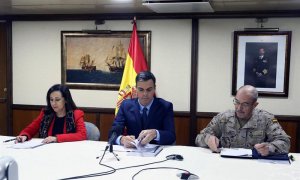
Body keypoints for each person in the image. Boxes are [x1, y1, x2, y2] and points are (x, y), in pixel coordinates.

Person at [195, 85, 290, 156]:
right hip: (226, 165)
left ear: (254, 105)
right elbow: (199, 138)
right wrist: (208, 139)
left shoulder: (266, 119)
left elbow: (285, 142)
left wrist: (269, 148)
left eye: (245, 104)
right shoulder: (223, 118)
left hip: (255, 167)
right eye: (237, 102)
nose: (239, 108)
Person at [109, 71, 176, 148]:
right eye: (141, 90)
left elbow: (171, 136)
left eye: (149, 90)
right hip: (132, 152)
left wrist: (155, 134)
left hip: (157, 153)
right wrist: (121, 139)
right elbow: (112, 134)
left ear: (154, 88)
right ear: (136, 89)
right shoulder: (125, 105)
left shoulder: (165, 106)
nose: (145, 94)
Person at [16, 84, 87, 143]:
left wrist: (56, 138)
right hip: (47, 151)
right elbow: (31, 129)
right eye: (51, 100)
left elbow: (82, 135)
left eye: (57, 100)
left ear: (65, 100)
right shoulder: (46, 114)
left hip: (67, 152)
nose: (53, 103)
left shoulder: (76, 114)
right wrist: (24, 136)